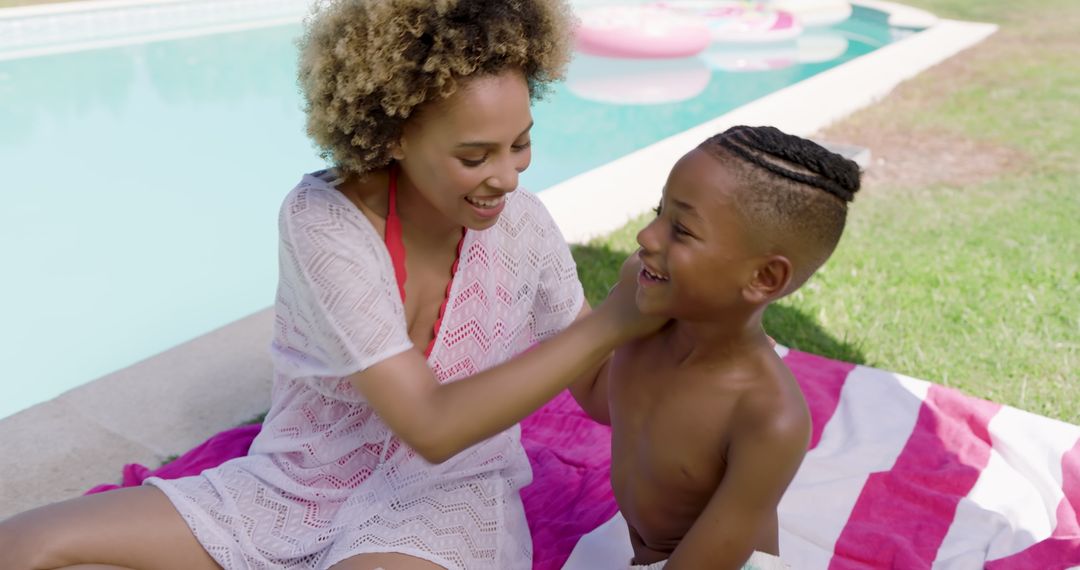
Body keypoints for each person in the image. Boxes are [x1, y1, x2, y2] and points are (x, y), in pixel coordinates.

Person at [0, 1, 664, 569]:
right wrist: (611, 321)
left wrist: (674, 329)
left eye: (520, 143)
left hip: (448, 497)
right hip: (299, 483)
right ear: (396, 133)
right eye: (475, 155)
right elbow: (429, 422)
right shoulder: (323, 222)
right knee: (23, 544)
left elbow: (596, 390)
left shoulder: (525, 228)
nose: (510, 176)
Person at [570, 125, 862, 569]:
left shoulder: (768, 416)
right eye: (658, 211)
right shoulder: (644, 308)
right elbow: (598, 395)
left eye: (681, 230)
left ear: (764, 278)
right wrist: (543, 288)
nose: (647, 237)